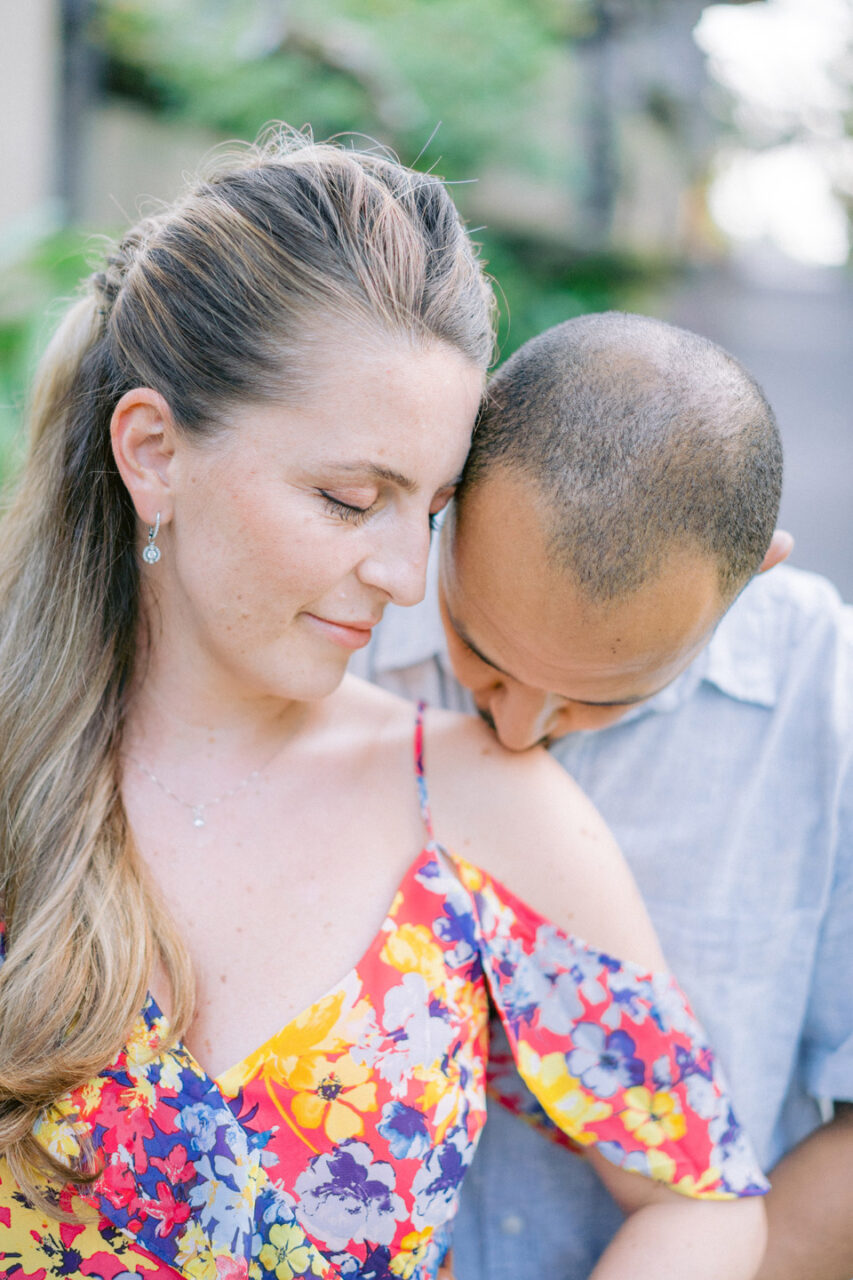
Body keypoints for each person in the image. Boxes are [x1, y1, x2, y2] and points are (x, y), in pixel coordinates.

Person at [0, 138, 770, 1280]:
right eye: (349, 498)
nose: (406, 577)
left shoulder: (472, 802)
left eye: (431, 507)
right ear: (153, 451)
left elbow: (702, 1195)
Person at [353, 311, 853, 1280]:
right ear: (447, 504)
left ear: (747, 583)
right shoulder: (337, 623)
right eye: (481, 654)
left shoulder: (830, 705)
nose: (515, 730)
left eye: (602, 695)